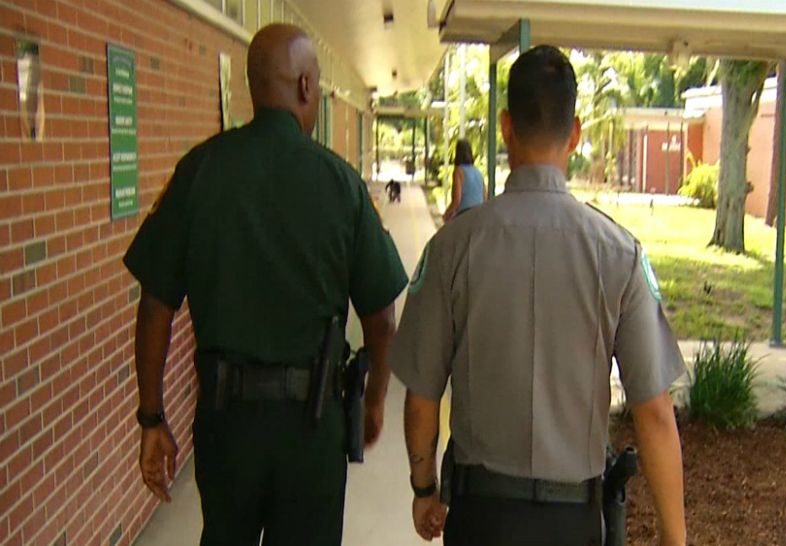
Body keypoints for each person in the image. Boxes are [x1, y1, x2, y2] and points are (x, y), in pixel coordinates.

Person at [389, 46, 688, 546]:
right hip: (571, 523)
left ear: (505, 127)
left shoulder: (451, 248)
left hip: (480, 518)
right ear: (575, 134)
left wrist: (424, 487)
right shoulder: (619, 254)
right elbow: (654, 411)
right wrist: (675, 540)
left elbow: (422, 395)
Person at [124, 24, 408, 545]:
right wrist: (372, 398)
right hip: (311, 427)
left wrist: (151, 416)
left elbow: (155, 304)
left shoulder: (199, 171)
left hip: (225, 425)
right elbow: (383, 317)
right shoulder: (339, 183)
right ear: (304, 87)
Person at [442, 139, 485, 221]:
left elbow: (457, 200)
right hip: (479, 216)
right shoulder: (478, 172)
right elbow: (485, 197)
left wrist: (446, 215)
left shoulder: (458, 171)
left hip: (464, 216)